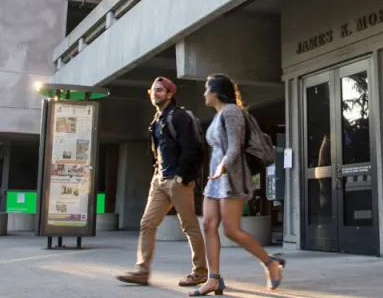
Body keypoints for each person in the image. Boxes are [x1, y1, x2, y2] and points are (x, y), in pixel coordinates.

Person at [189, 74, 285, 296]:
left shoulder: (232, 112)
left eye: (206, 89)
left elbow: (234, 147)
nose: (204, 93)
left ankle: (270, 262)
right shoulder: (218, 115)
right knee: (208, 226)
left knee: (231, 230)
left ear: (215, 92)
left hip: (232, 177)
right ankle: (213, 279)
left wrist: (222, 167)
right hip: (216, 179)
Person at [117, 76, 208, 288]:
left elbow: (192, 148)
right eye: (153, 90)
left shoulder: (179, 116)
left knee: (189, 226)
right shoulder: (156, 121)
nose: (155, 93)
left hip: (178, 181)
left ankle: (200, 272)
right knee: (147, 223)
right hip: (159, 180)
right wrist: (158, 174)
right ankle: (142, 270)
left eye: (160, 90)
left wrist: (181, 176)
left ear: (169, 94)